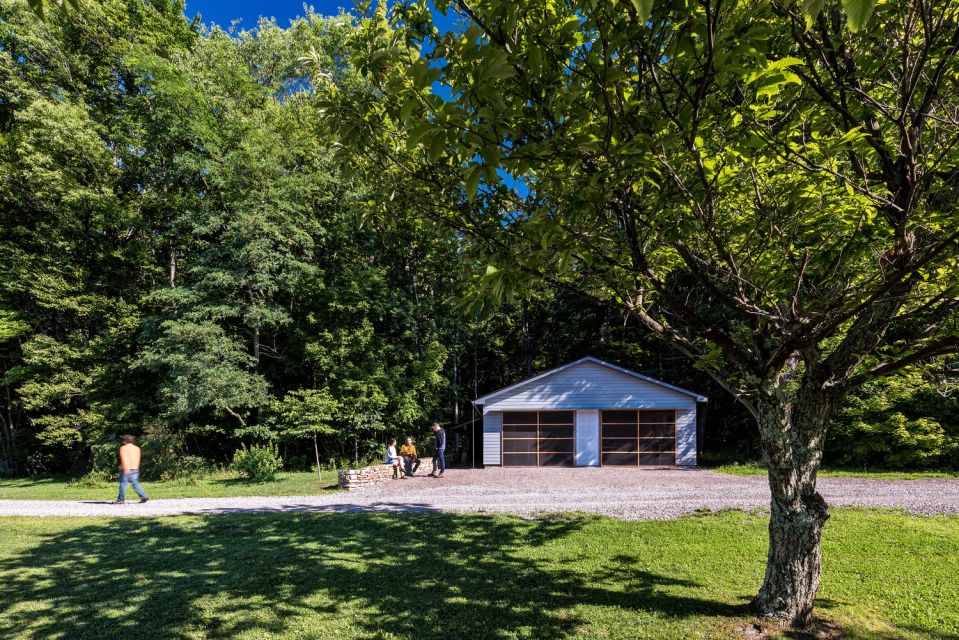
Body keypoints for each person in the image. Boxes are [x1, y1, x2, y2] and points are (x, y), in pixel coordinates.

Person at [114, 435, 148, 504]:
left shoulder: (123, 448)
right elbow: (138, 458)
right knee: (135, 483)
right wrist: (136, 467)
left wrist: (126, 468)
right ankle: (143, 496)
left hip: (126, 468)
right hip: (135, 468)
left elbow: (124, 458)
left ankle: (121, 500)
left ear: (125, 441)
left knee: (123, 484)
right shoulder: (137, 448)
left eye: (123, 440)